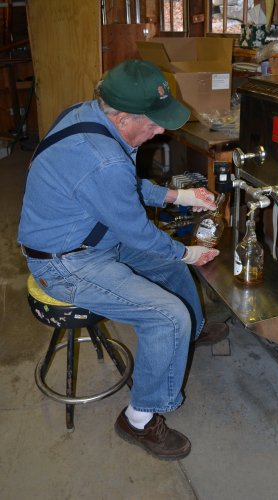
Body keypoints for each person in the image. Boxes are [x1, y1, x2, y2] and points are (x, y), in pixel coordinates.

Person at [18, 59, 228, 461]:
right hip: (64, 262)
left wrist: (177, 196)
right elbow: (136, 229)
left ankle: (192, 331)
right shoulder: (103, 157)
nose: (161, 130)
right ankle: (138, 420)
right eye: (153, 123)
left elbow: (121, 188)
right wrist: (187, 252)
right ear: (123, 116)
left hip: (87, 232)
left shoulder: (89, 115)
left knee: (169, 270)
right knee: (167, 313)